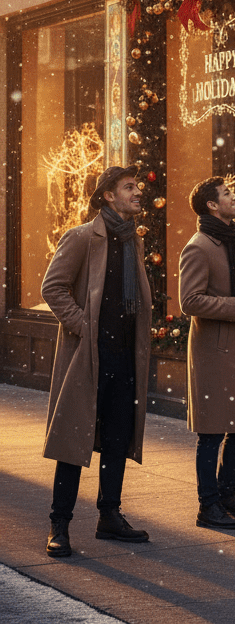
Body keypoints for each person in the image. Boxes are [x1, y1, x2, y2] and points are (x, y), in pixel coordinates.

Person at [41, 166, 153, 558]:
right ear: (108, 195)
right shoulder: (82, 237)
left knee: (118, 439)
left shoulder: (133, 241)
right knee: (73, 441)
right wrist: (82, 327)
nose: (138, 192)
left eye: (137, 186)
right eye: (129, 187)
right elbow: (52, 287)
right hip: (88, 357)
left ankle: (109, 515)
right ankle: (60, 524)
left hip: (124, 359)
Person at [179, 176, 235, 529]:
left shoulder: (232, 241)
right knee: (213, 431)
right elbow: (190, 301)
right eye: (228, 194)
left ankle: (227, 492)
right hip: (215, 350)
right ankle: (208, 505)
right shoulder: (199, 246)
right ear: (213, 206)